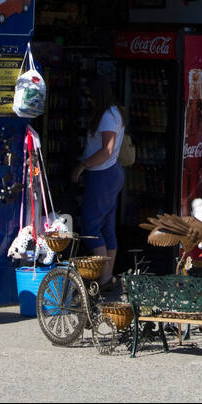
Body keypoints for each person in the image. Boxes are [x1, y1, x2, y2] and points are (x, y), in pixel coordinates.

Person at [71, 76, 127, 289]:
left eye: (90, 95)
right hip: (110, 173)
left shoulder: (107, 115)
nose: (88, 99)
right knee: (105, 227)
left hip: (102, 174)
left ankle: (102, 277)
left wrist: (82, 166)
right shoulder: (114, 113)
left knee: (91, 227)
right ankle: (106, 277)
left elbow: (107, 150)